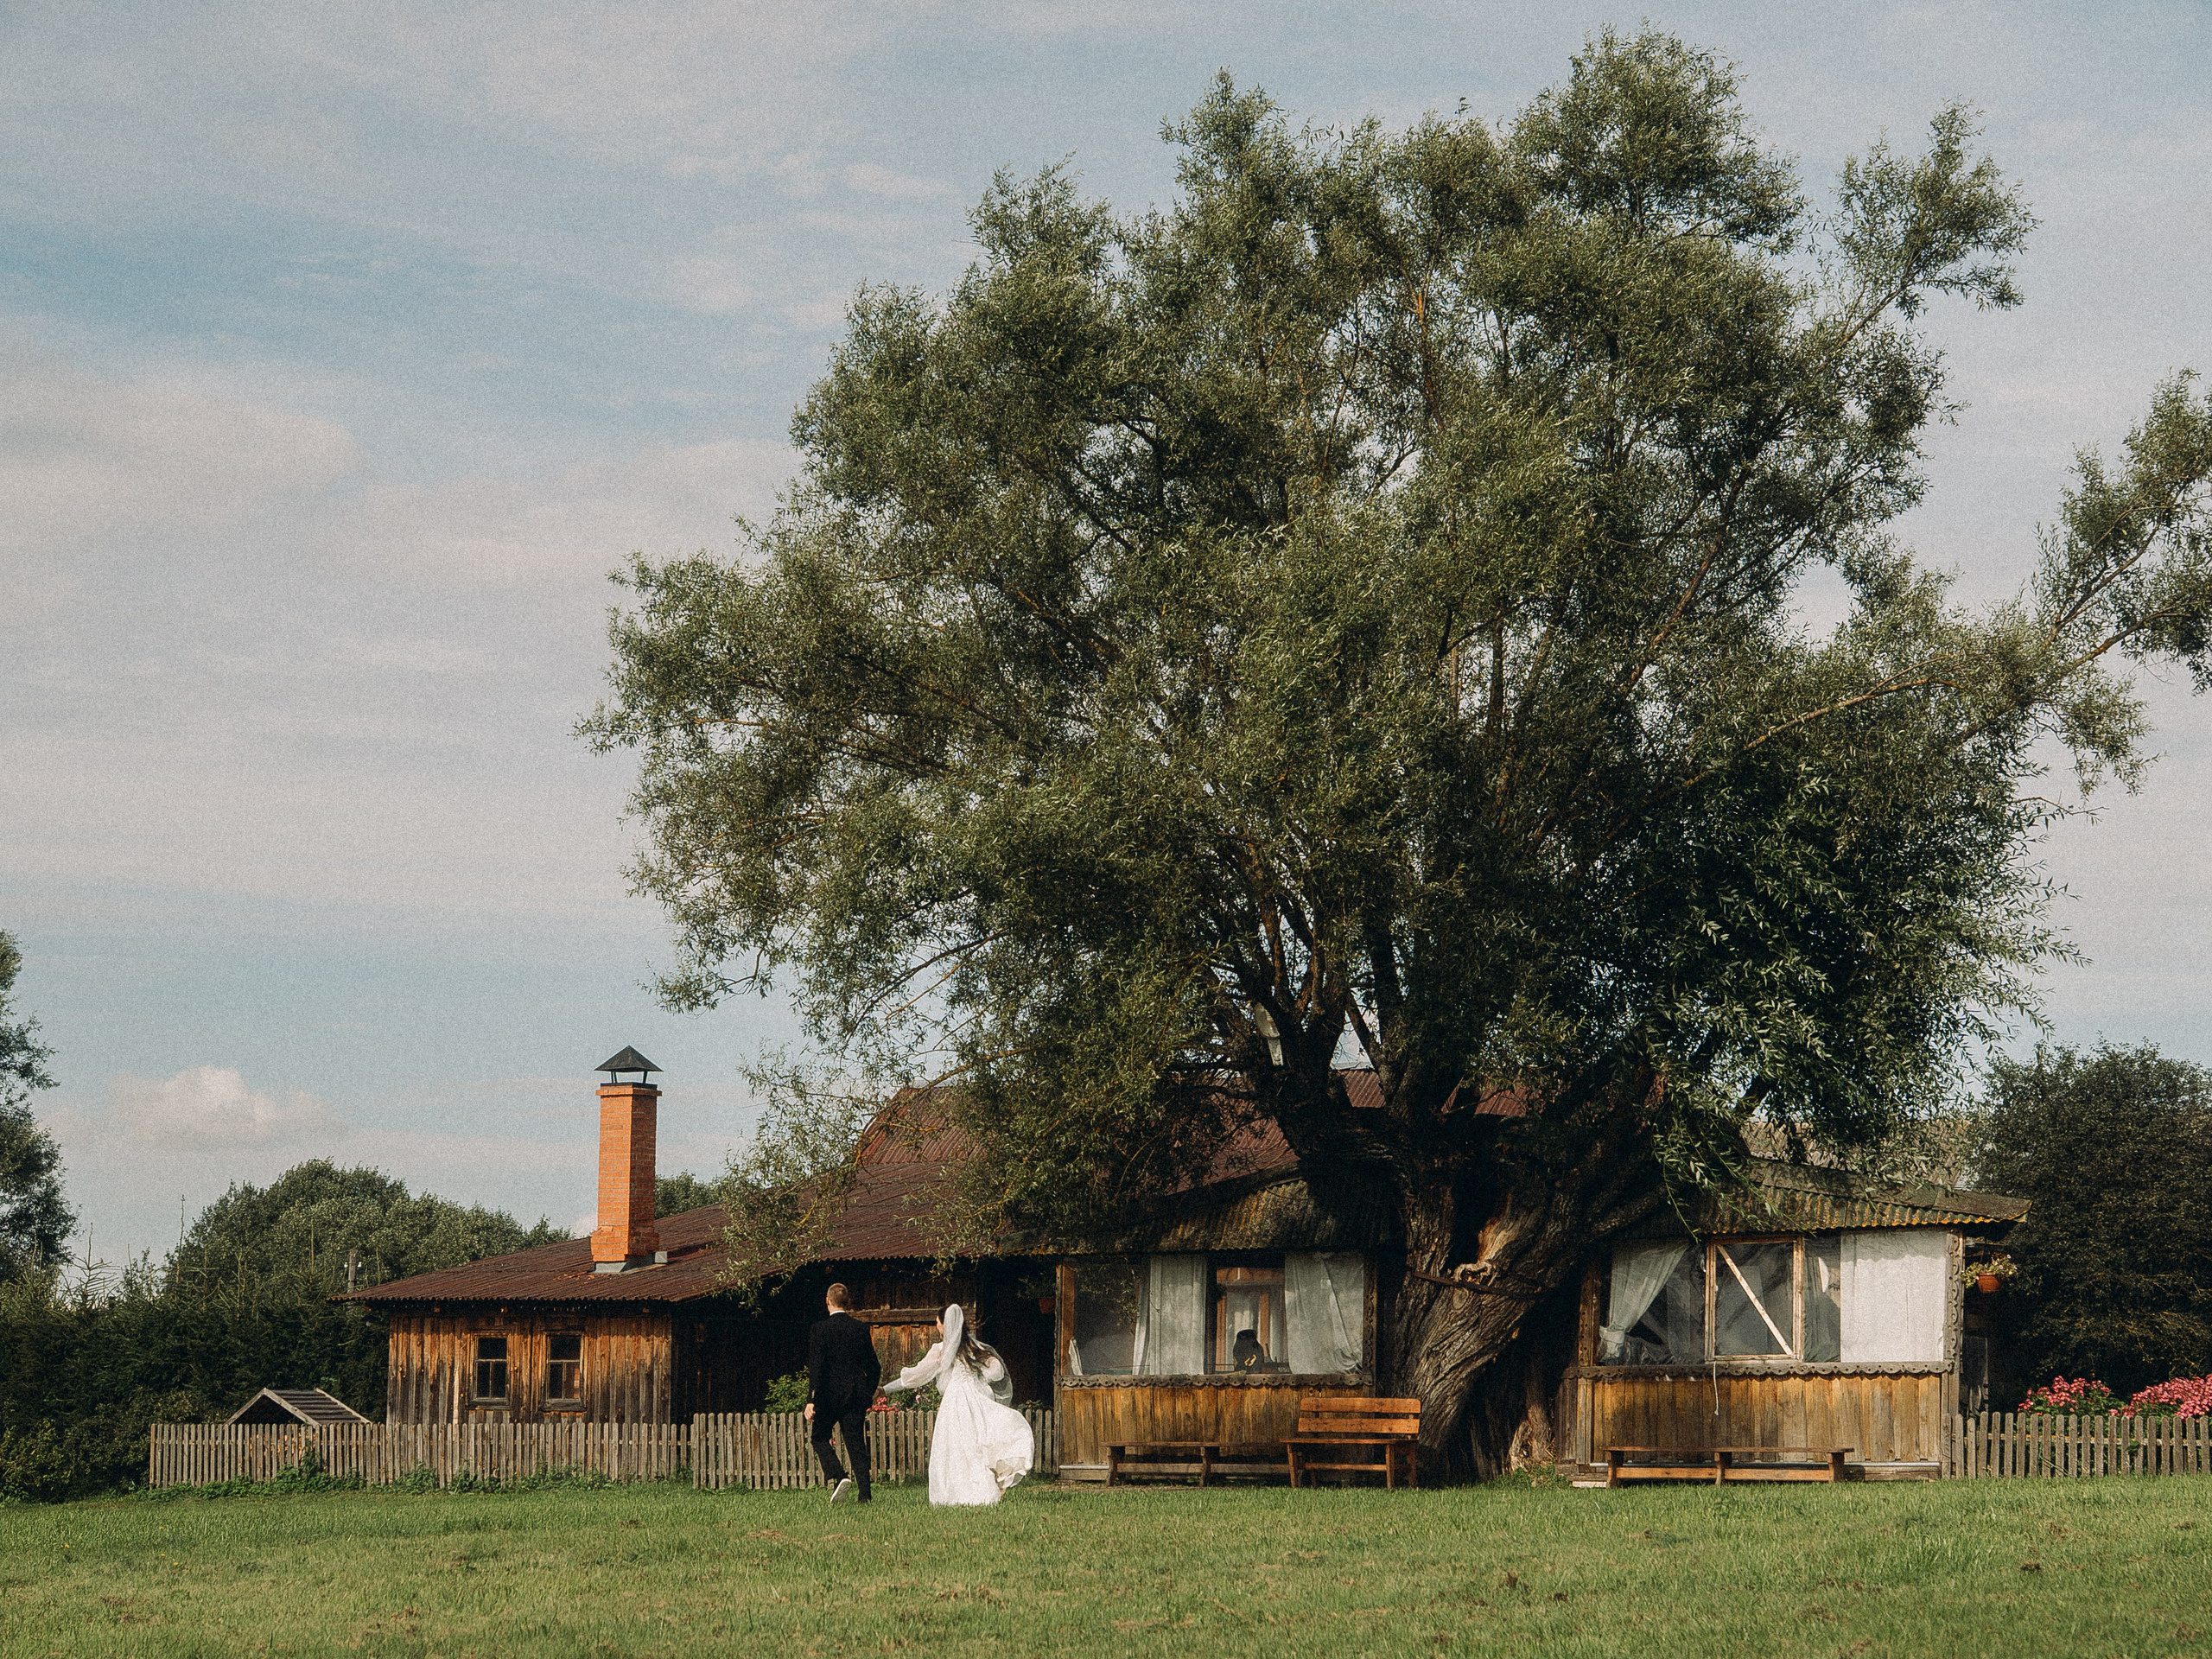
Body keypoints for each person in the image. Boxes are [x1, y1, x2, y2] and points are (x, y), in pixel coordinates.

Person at [880, 1303, 1034, 1505]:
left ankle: (955, 1493)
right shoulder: (974, 1347)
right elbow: (997, 1370)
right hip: (976, 1398)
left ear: (946, 1325)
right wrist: (982, 1377)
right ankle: (980, 1491)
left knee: (955, 1447)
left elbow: (915, 1376)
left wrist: (885, 1389)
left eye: (938, 1323)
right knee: (976, 1445)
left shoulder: (941, 1351)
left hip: (955, 1401)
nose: (937, 1327)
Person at [804, 1281, 882, 1503]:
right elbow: (874, 1367)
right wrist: (867, 1393)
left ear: (827, 1302)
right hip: (855, 1396)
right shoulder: (860, 1329)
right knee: (856, 1444)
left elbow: (817, 1368)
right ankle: (865, 1496)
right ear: (847, 1303)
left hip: (828, 1396)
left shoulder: (819, 1330)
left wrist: (811, 1399)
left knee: (819, 1437)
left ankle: (839, 1476)